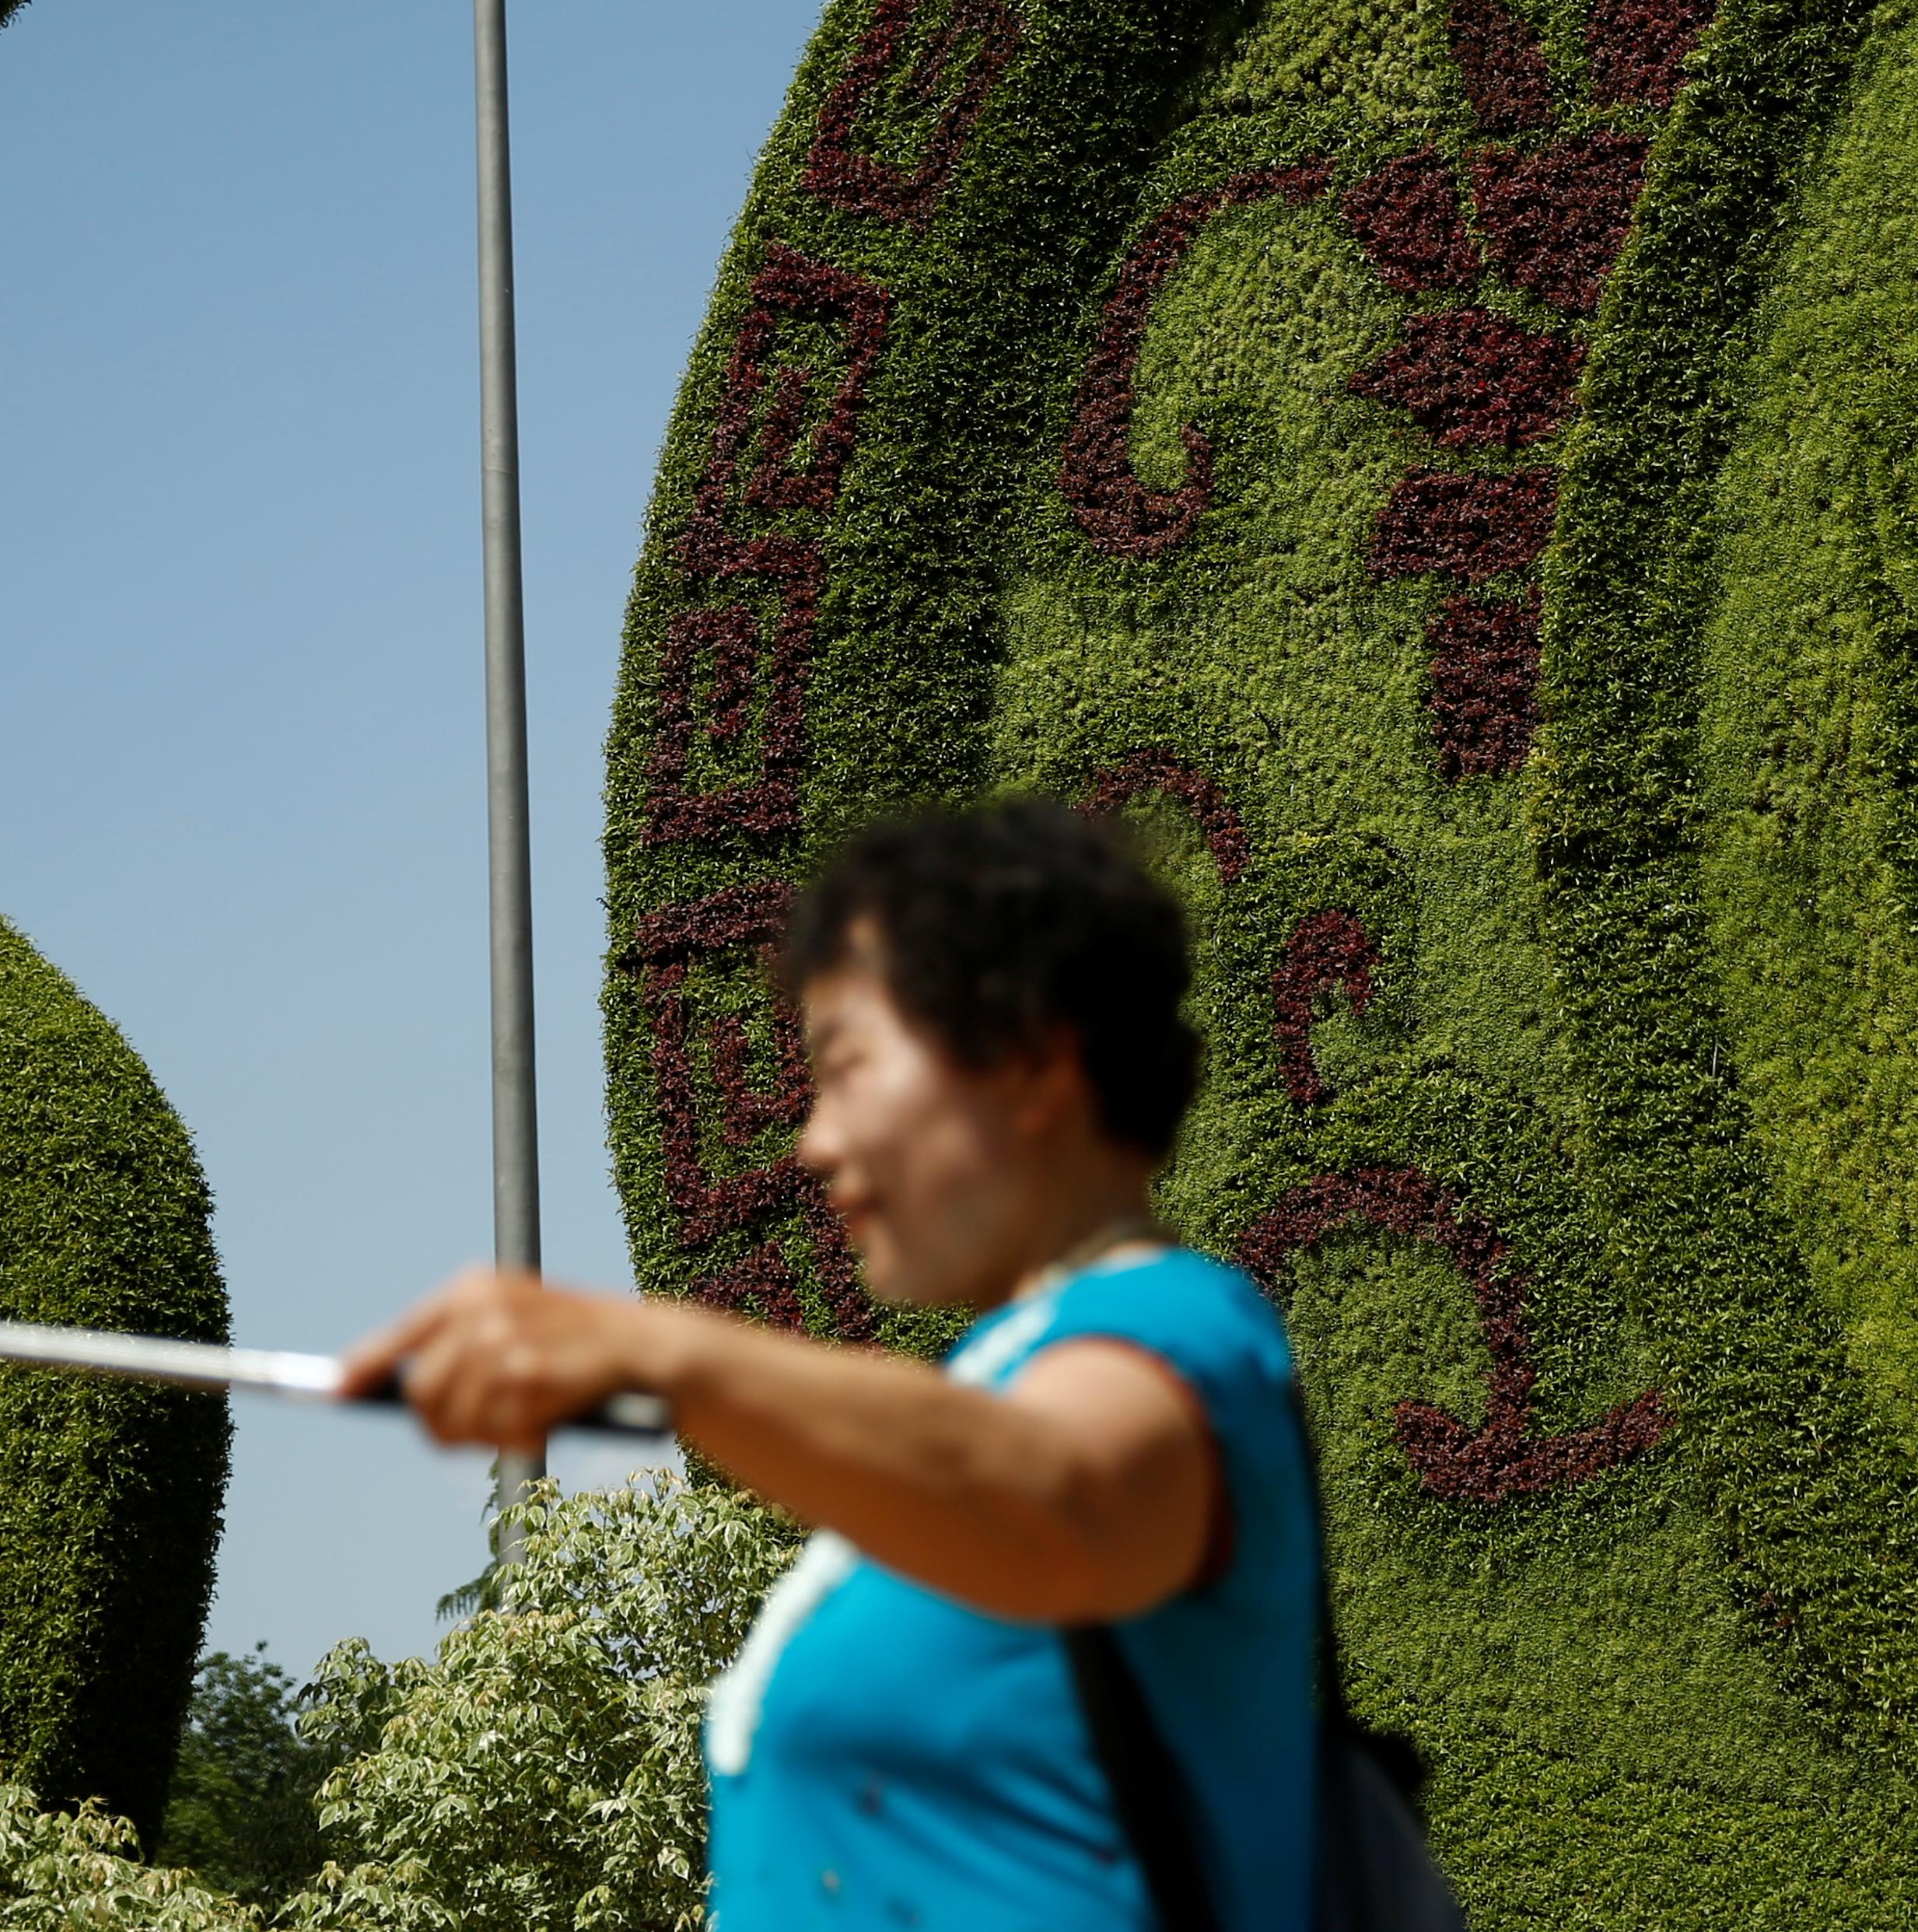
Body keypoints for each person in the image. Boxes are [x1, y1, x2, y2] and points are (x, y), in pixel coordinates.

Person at [344, 800, 1319, 1932]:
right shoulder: (988, 1386)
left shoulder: (1185, 1328)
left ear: (1034, 1063)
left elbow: (1063, 1498)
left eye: (846, 1070)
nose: (813, 1142)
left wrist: (661, 1349)